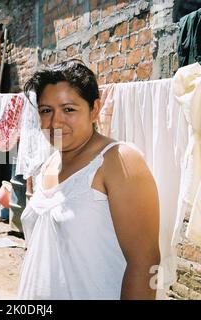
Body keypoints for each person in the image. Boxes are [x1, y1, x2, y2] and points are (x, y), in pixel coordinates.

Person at [18, 60, 160, 300]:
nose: (55, 122)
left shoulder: (118, 162)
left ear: (94, 109)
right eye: (46, 110)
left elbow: (145, 262)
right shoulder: (48, 165)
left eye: (69, 109)